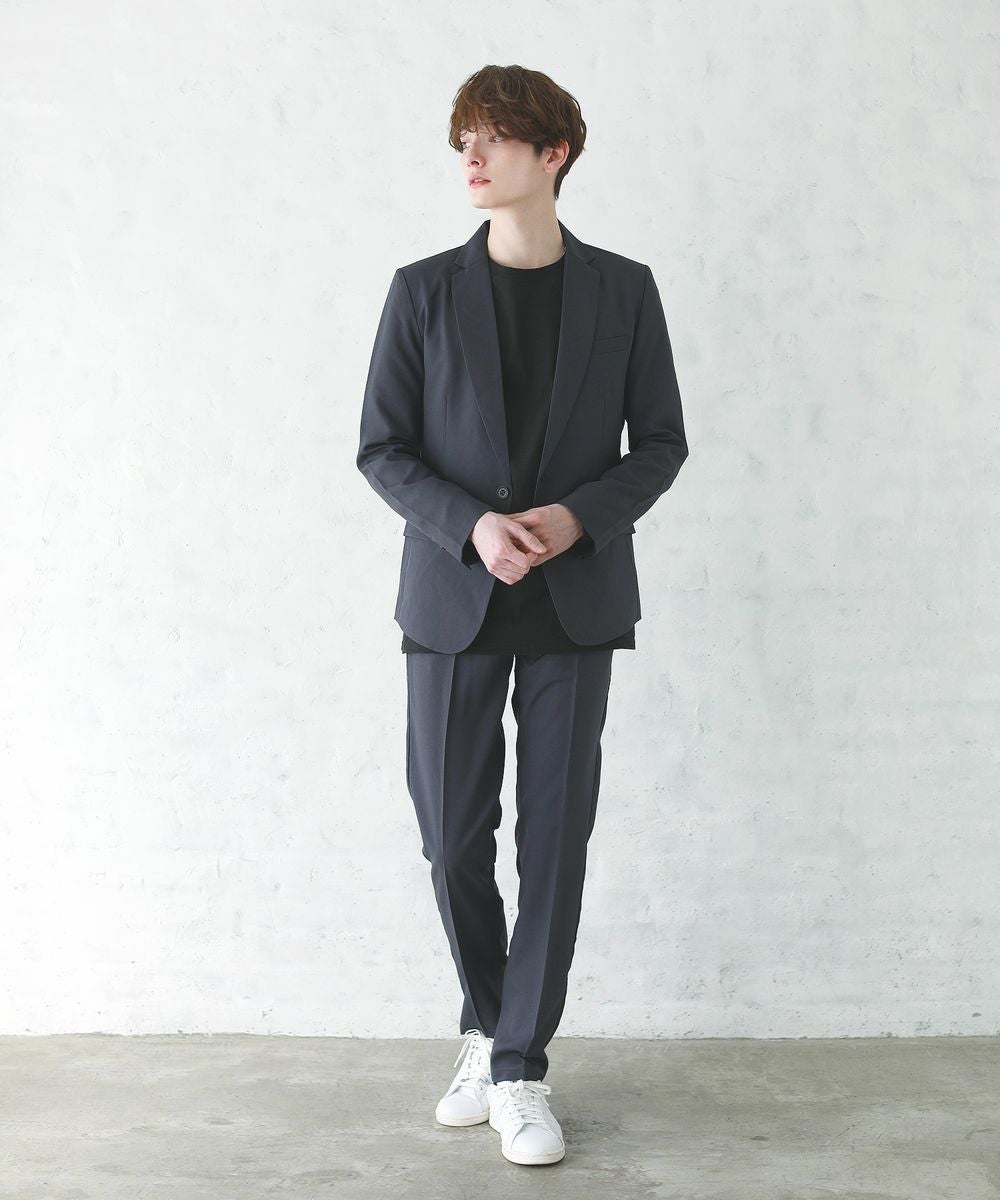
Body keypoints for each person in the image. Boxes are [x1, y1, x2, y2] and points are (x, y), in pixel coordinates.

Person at [356, 63, 688, 1166]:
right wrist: (471, 525)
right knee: (452, 835)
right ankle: (489, 1025)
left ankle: (517, 1067)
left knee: (554, 839)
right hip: (451, 600)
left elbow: (661, 444)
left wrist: (578, 517)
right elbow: (382, 448)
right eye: (464, 136)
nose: (471, 156)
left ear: (553, 154)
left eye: (493, 138)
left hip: (572, 603)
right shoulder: (420, 291)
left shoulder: (623, 290)